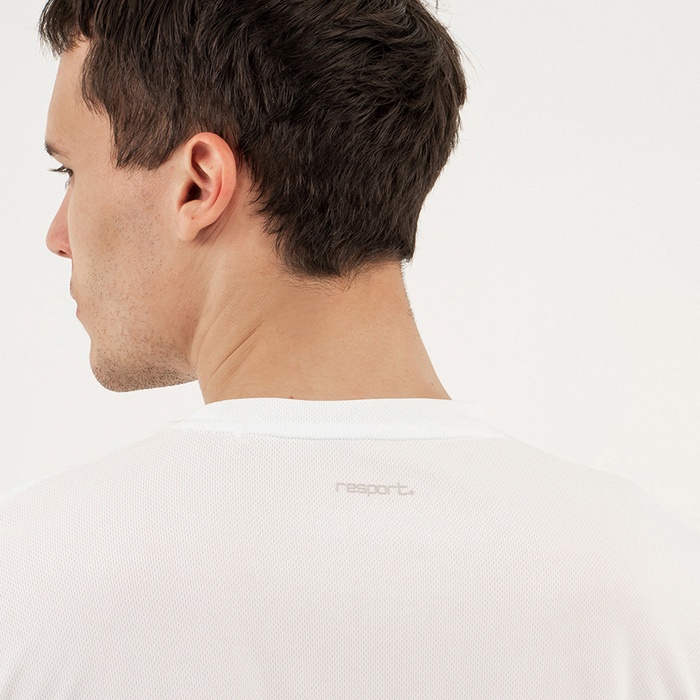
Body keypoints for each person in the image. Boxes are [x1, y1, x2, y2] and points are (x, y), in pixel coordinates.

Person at [2, 1, 699, 697]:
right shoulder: (650, 580)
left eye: (70, 173)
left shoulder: (37, 570)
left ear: (198, 184)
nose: (57, 236)